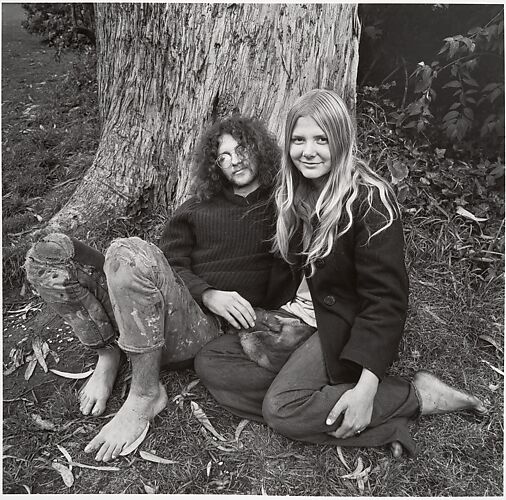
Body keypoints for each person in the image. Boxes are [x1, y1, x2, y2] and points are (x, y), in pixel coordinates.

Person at [195, 89, 487, 457]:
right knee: (211, 362)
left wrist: (366, 388)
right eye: (298, 140)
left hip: (338, 323)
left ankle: (413, 394)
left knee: (280, 410)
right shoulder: (293, 190)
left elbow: (385, 302)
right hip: (295, 316)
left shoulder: (370, 200)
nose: (308, 150)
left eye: (322, 139)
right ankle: (376, 415)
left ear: (342, 140)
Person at [24, 115, 295, 462]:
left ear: (259, 148)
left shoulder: (281, 205)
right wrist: (209, 293)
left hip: (201, 329)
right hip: (169, 302)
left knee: (126, 252)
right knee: (47, 255)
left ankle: (145, 394)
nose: (235, 160)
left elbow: (293, 268)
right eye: (223, 156)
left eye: (241, 149)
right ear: (215, 166)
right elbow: (170, 264)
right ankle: (107, 354)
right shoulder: (197, 208)